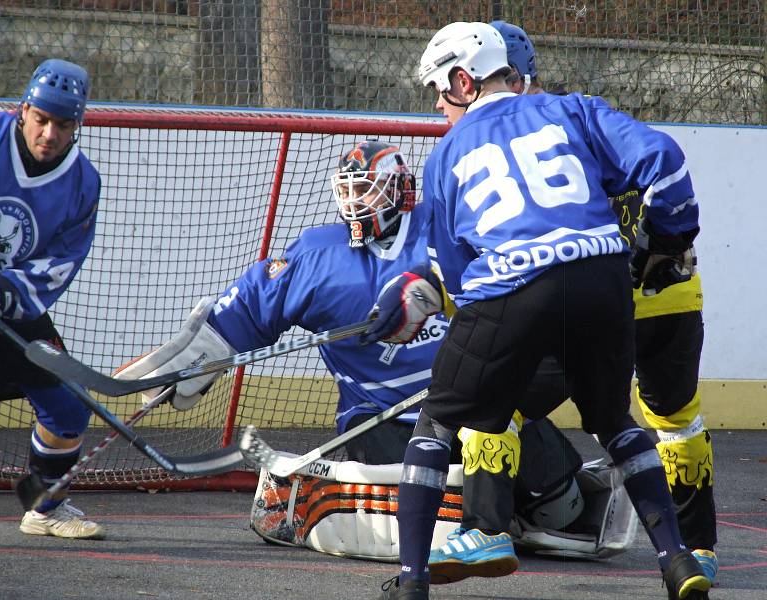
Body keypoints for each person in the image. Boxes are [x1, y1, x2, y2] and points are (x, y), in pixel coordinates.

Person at [116, 140, 624, 563]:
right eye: (350, 190)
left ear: (401, 190)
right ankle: (483, 517)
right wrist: (199, 356)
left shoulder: (448, 228)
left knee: (562, 503)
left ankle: (516, 510)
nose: (357, 201)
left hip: (472, 402)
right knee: (427, 499)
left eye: (369, 188)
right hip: (381, 420)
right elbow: (245, 313)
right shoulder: (318, 257)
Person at [364, 21, 711, 600]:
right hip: (603, 279)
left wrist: (429, 304)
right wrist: (665, 240)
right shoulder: (573, 109)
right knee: (616, 423)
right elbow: (667, 161)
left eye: (437, 93)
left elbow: (454, 273)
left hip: (512, 287)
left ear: (462, 81)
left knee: (438, 422)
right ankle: (679, 560)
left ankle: (412, 580)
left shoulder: (447, 152)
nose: (437, 108)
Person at [0, 59, 103, 539]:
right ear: (23, 110)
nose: (49, 133)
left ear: (76, 125)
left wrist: (6, 288)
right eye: (41, 119)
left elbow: (59, 264)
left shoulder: (82, 183)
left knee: (68, 404)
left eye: (63, 124)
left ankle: (44, 507)